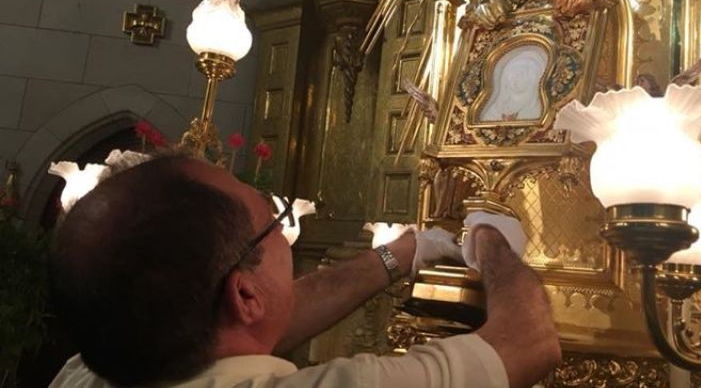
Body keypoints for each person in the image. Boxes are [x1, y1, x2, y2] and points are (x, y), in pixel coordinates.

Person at [48, 154, 561, 388]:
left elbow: (242, 326)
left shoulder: (86, 371)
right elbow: (527, 341)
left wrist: (403, 253)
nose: (282, 230)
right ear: (245, 294)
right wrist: (491, 239)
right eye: (271, 221)